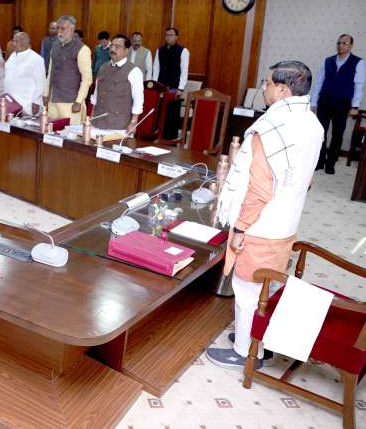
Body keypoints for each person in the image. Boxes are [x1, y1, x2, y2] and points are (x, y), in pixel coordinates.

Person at [208, 60, 323, 370]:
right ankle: (256, 341)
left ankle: (246, 353)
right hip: (286, 221)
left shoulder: (272, 128)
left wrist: (241, 227)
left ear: (283, 90)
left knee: (247, 288)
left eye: (268, 83)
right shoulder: (313, 124)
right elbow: (308, 179)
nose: (263, 88)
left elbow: (260, 188)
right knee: (265, 287)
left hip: (261, 224)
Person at [311, 34, 364, 174]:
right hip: (324, 101)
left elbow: (358, 86)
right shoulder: (328, 61)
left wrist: (355, 106)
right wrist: (314, 102)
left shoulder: (358, 62)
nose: (341, 45)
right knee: (320, 133)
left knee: (337, 134)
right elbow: (319, 82)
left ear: (351, 45)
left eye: (344, 43)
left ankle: (330, 163)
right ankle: (319, 162)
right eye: (339, 43)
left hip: (342, 104)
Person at [43, 15, 92, 124]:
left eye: (63, 28)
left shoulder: (82, 49)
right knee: (51, 132)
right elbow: (50, 72)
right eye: (58, 28)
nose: (59, 31)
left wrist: (79, 101)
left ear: (72, 29)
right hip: (53, 100)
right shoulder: (55, 46)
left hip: (71, 103)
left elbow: (87, 79)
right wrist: (45, 93)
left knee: (68, 133)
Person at [90, 34, 144, 133]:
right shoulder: (103, 67)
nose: (113, 49)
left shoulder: (134, 71)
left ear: (126, 50)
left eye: (117, 47)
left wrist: (133, 122)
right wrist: (91, 117)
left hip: (118, 126)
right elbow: (96, 96)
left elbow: (138, 100)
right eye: (112, 46)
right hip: (97, 123)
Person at [151, 27, 190, 139]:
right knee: (159, 112)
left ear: (176, 37)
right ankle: (157, 136)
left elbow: (184, 71)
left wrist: (181, 88)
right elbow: (156, 68)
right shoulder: (160, 50)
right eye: (166, 35)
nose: (168, 37)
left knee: (171, 113)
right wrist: (154, 85)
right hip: (161, 86)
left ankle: (169, 138)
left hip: (174, 87)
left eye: (171, 35)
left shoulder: (183, 51)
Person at [4, 32, 46, 115]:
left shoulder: (36, 59)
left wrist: (36, 102)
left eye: (17, 41)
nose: (13, 44)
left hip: (26, 104)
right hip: (9, 101)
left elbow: (41, 83)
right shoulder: (12, 56)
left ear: (26, 43)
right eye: (13, 41)